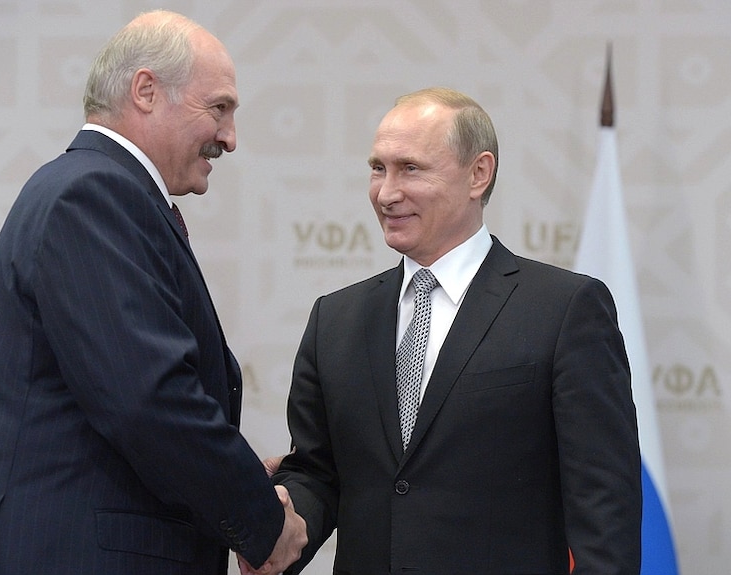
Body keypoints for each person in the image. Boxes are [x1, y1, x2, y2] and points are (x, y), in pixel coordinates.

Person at [0, 10, 306, 575]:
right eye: (219, 108)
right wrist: (260, 520)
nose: (230, 138)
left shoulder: (97, 190)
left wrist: (227, 475)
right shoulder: (93, 193)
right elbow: (150, 400)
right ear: (146, 91)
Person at [273, 87, 642, 574]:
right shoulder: (335, 319)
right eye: (378, 168)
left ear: (478, 173)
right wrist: (277, 525)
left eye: (410, 168)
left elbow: (605, 509)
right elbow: (319, 473)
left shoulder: (564, 310)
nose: (386, 192)